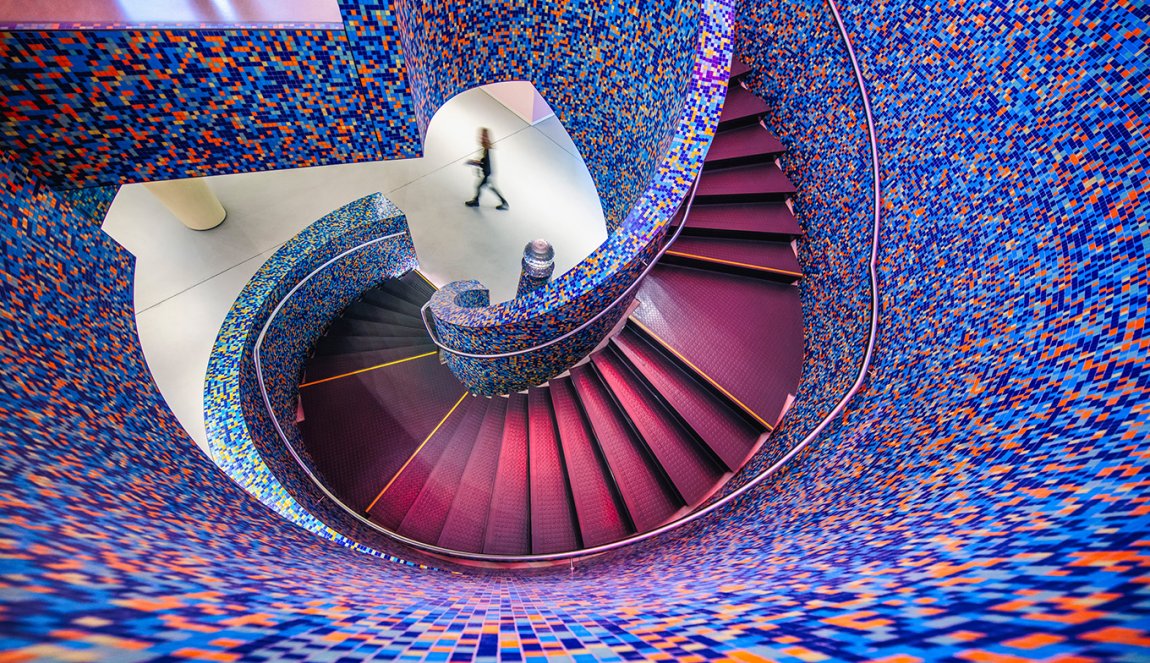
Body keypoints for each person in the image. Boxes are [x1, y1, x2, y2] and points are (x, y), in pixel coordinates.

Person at [465, 127, 509, 210]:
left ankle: (476, 201)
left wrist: (476, 163)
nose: (481, 138)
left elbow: (486, 164)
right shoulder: (485, 148)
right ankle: (504, 203)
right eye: (481, 136)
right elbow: (484, 162)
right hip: (488, 174)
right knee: (491, 188)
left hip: (487, 174)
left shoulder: (487, 149)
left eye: (483, 136)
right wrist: (477, 163)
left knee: (479, 186)